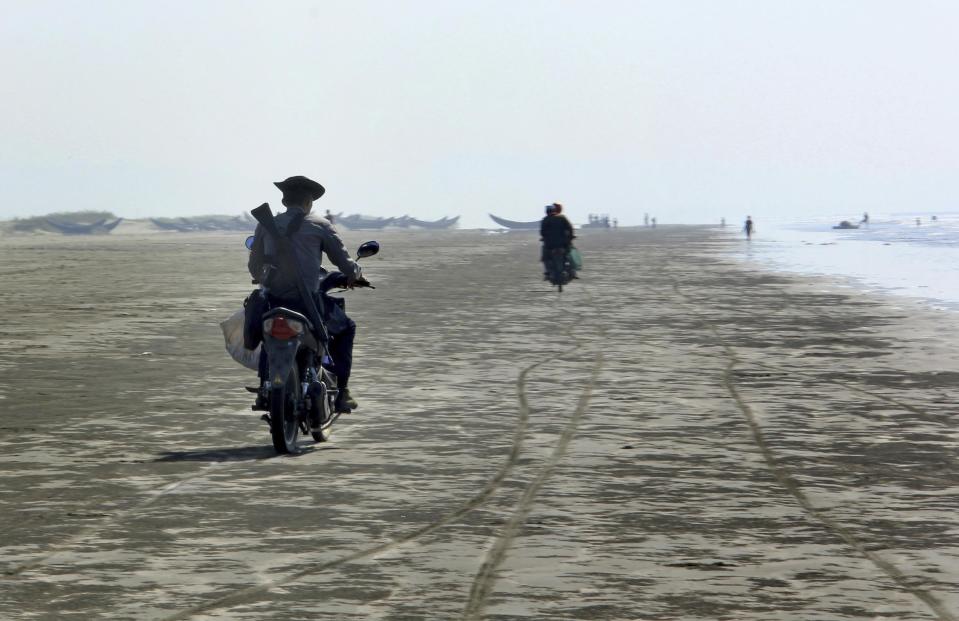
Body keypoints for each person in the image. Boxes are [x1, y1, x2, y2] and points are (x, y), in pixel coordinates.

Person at [248, 175, 363, 413]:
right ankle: (341, 393)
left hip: (273, 300)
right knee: (347, 328)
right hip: (308, 303)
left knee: (265, 335)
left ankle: (263, 388)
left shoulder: (265, 224)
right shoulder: (320, 225)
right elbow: (344, 262)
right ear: (309, 202)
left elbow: (253, 266)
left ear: (283, 200)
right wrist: (355, 274)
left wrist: (263, 276)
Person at [540, 202, 575, 279]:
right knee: (570, 253)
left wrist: (545, 237)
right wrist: (571, 236)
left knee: (545, 257)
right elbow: (570, 228)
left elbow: (542, 232)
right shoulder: (562, 218)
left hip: (550, 245)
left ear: (546, 212)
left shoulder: (545, 220)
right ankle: (572, 271)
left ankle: (547, 273)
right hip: (563, 244)